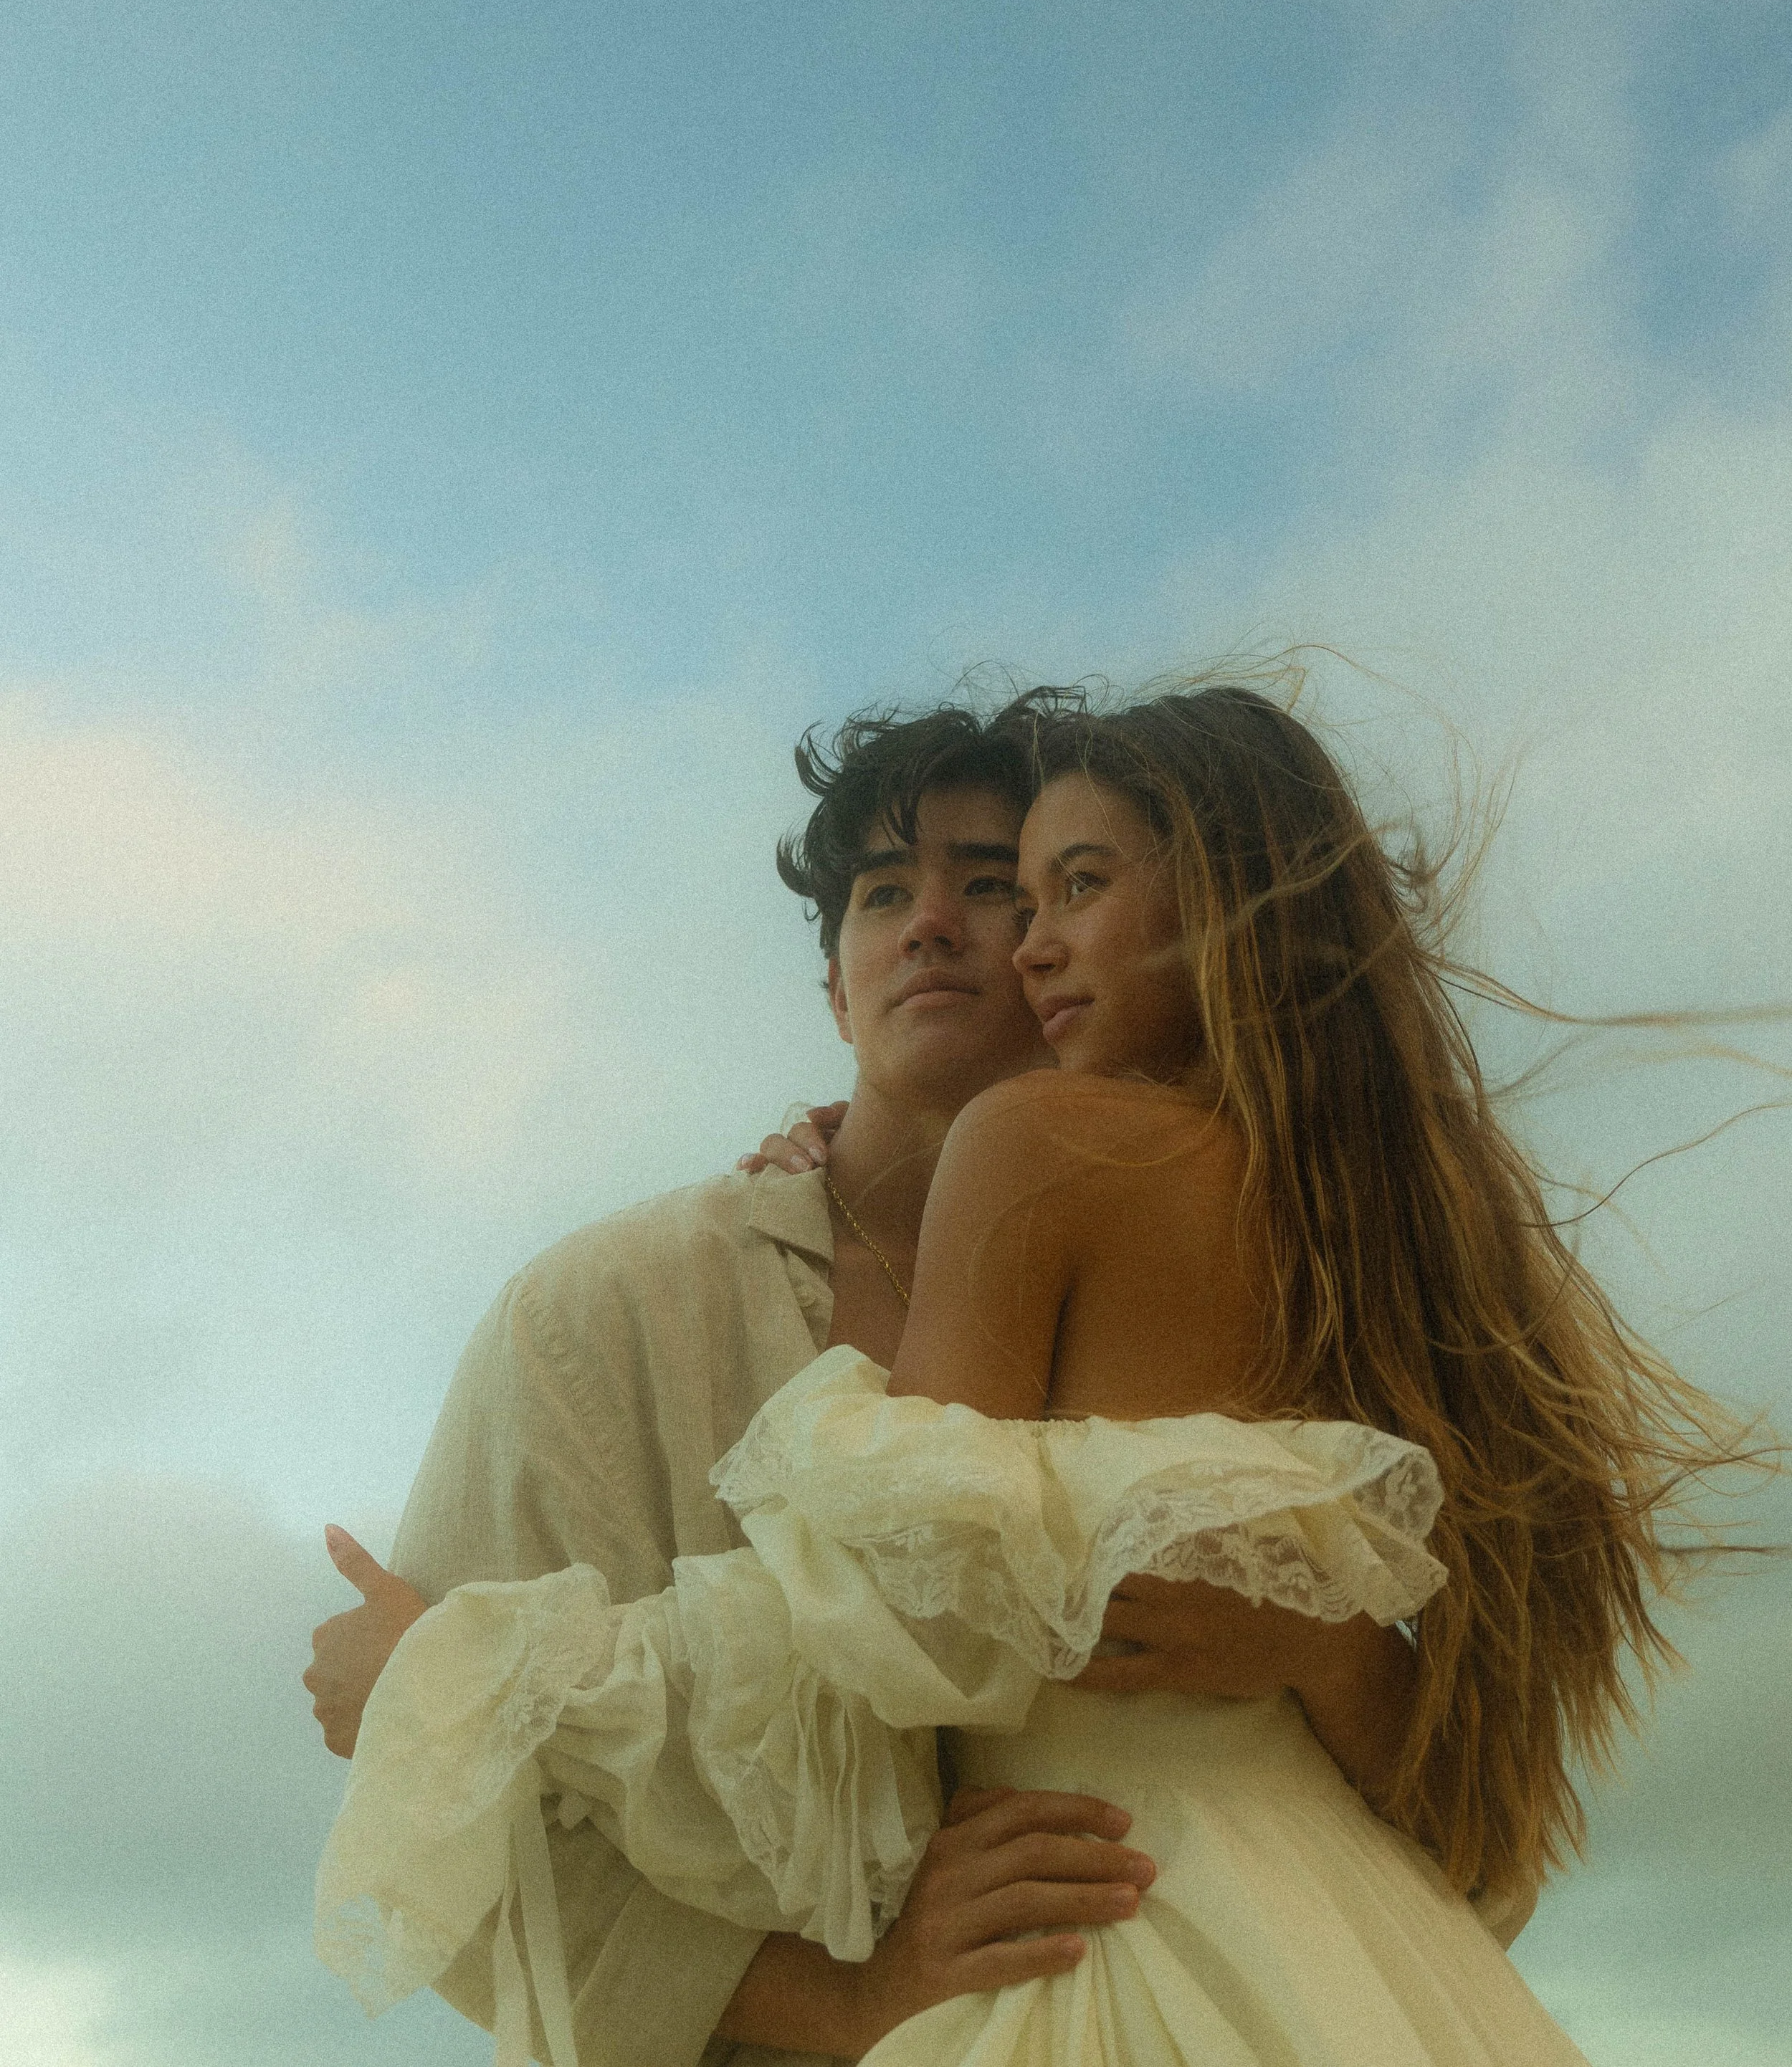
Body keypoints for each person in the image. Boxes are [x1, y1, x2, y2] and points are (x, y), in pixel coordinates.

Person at [318, 680, 1751, 2063]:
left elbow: (1478, 1853)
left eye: (1004, 882)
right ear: (832, 991)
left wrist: (1328, 1655)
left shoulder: (1311, 1260)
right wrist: (849, 1996)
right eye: (881, 894)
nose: (933, 923)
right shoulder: (600, 1316)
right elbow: (454, 1860)